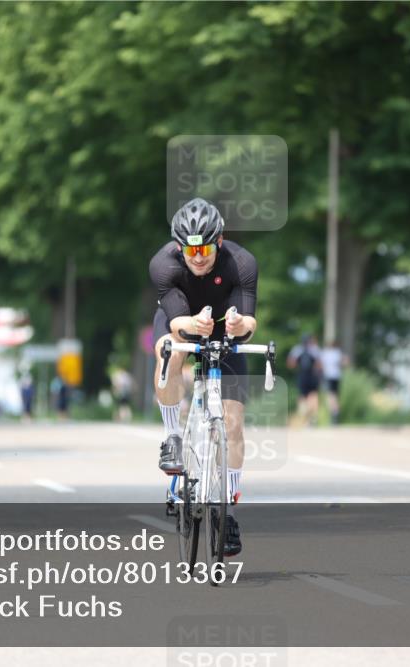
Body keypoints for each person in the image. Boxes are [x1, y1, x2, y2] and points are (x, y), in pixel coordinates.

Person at [150, 197, 258, 557]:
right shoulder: (164, 265)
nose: (198, 256)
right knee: (170, 349)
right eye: (191, 249)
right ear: (179, 247)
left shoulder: (241, 263)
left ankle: (226, 509)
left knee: (233, 423)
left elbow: (250, 325)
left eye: (205, 247)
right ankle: (172, 439)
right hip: (182, 323)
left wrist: (241, 324)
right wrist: (192, 326)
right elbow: (177, 323)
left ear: (220, 241)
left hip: (224, 331)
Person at [287, 334, 322, 426]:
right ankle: (313, 418)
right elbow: (319, 364)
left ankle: (304, 418)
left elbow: (291, 364)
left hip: (302, 375)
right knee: (313, 396)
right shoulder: (315, 349)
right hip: (313, 376)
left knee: (302, 398)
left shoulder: (297, 349)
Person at [319, 339, 347, 424]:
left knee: (330, 396)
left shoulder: (325, 353)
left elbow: (320, 365)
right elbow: (345, 362)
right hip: (337, 376)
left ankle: (334, 413)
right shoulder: (338, 352)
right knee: (335, 395)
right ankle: (335, 413)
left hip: (328, 376)